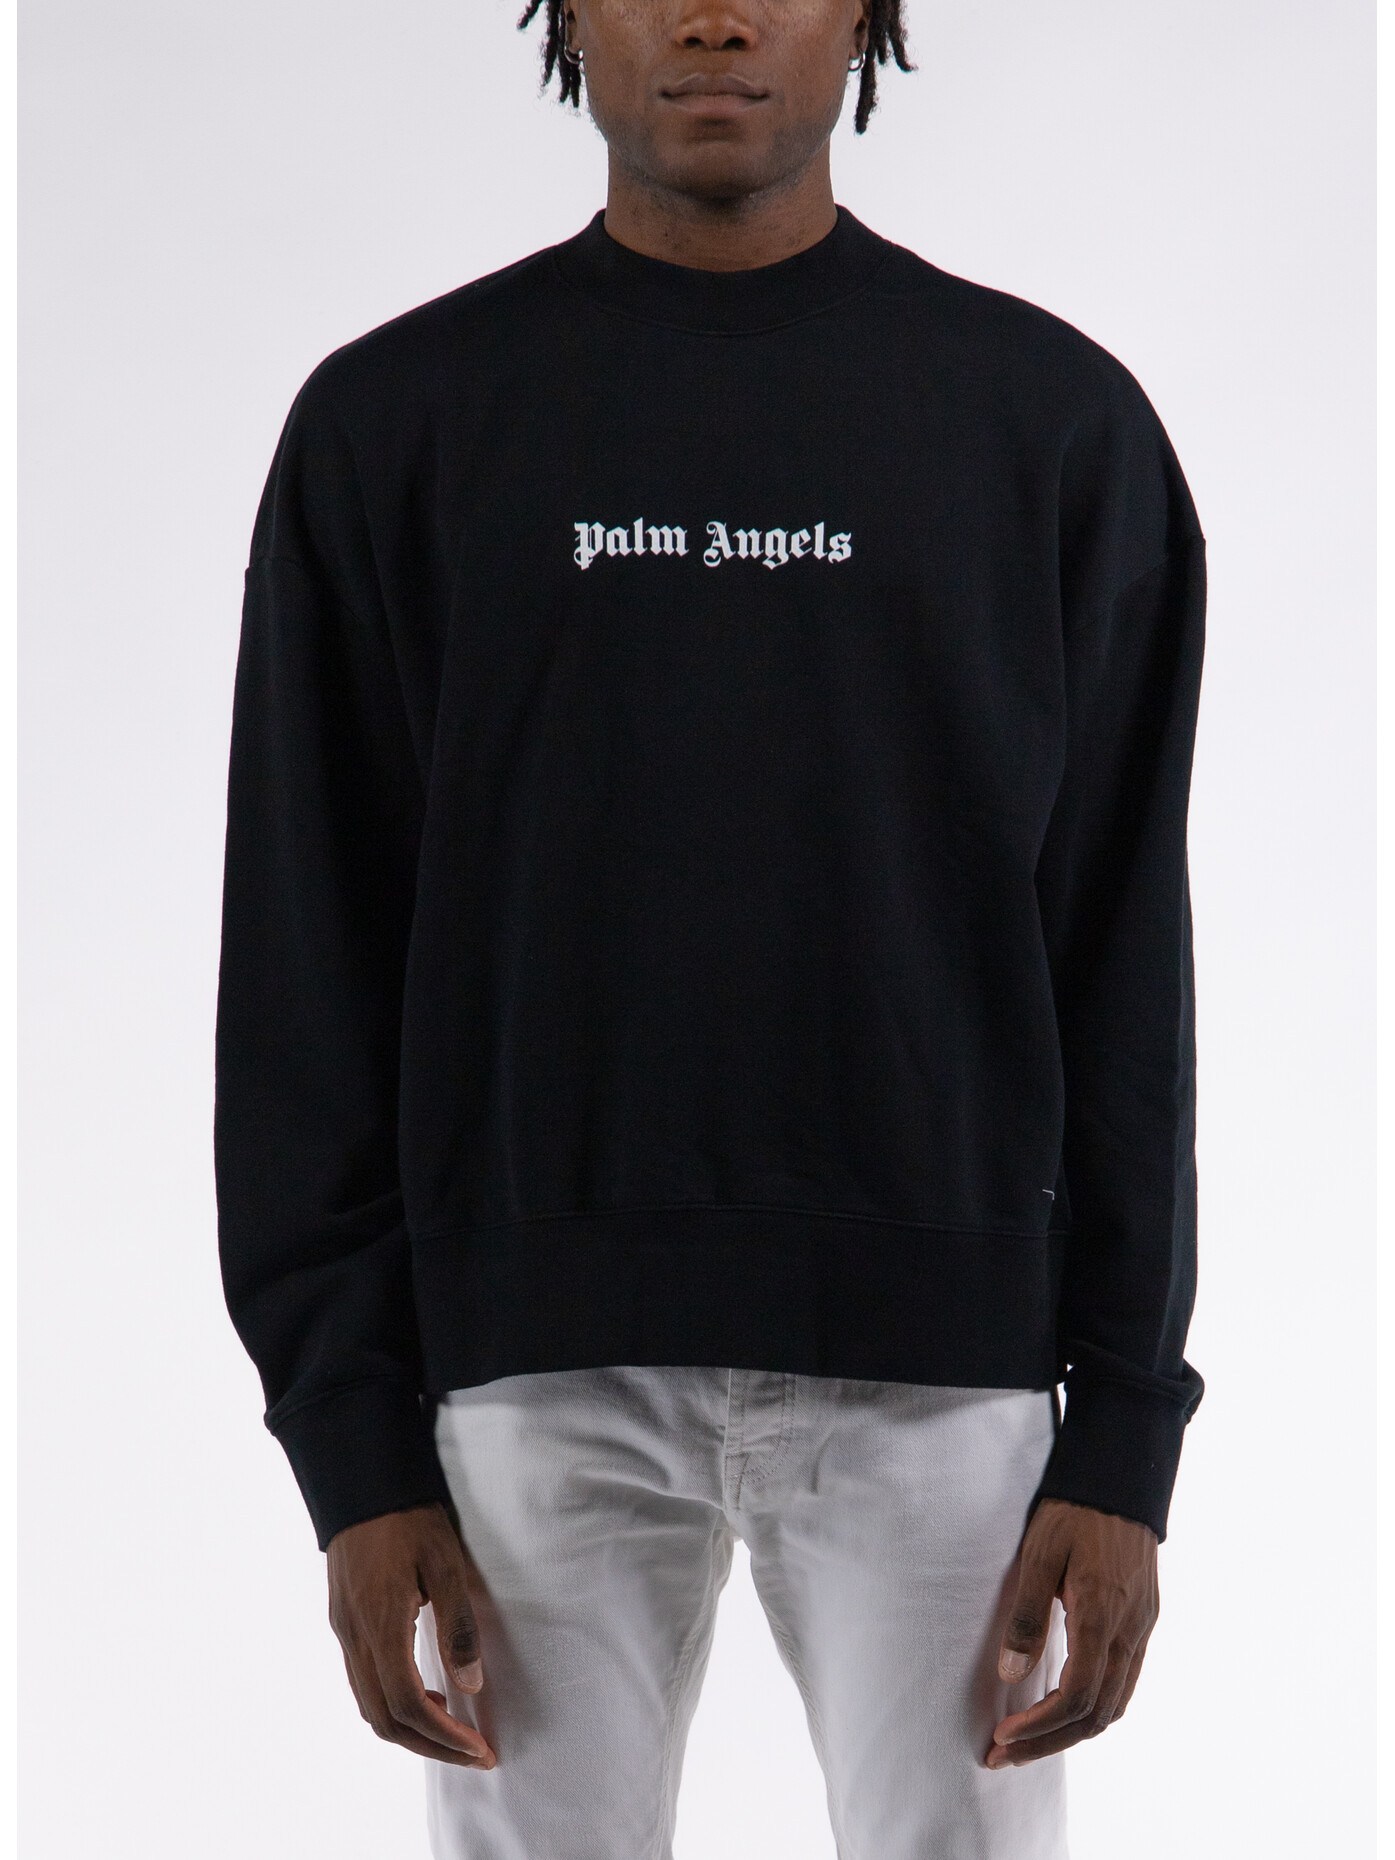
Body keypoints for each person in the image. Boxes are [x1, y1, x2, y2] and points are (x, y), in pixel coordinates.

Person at [214, 3, 1206, 1855]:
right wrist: (350, 1448)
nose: (717, 12)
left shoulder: (1051, 424)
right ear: (568, 11)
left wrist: (1127, 1436)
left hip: (945, 1382)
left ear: (870, 13)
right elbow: (304, 964)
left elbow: (1125, 961)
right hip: (530, 1374)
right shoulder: (396, 424)